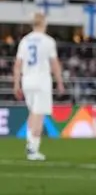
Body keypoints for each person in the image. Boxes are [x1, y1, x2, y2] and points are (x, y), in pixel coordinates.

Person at [13, 12, 63, 162]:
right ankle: (33, 148)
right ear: (43, 23)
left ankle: (31, 144)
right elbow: (55, 64)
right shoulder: (48, 41)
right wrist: (59, 81)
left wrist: (16, 83)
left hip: (27, 80)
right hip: (41, 80)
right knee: (38, 114)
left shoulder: (25, 41)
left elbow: (17, 65)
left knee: (33, 112)